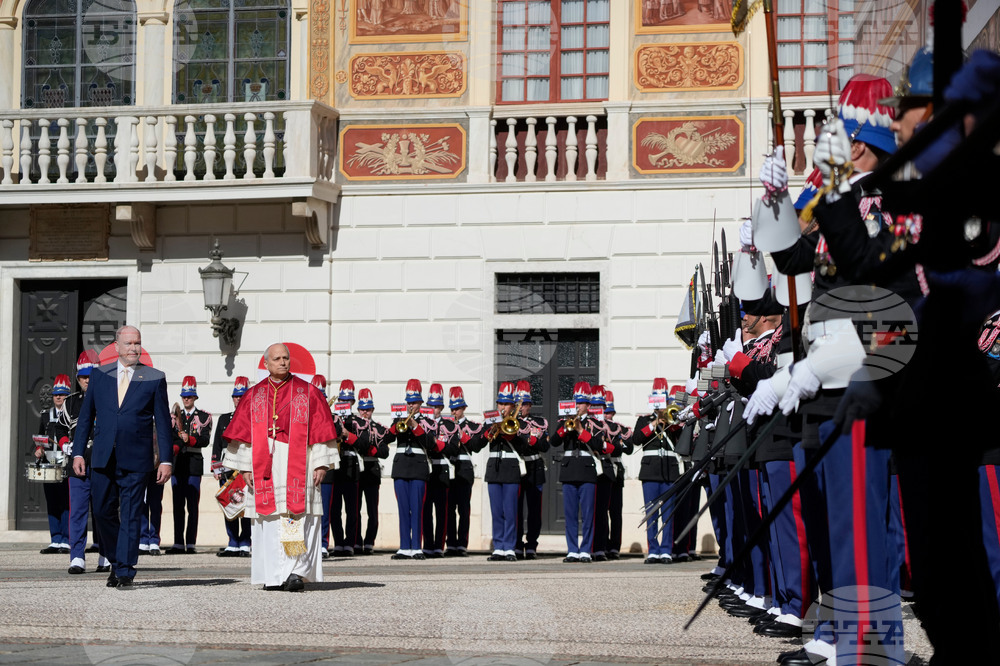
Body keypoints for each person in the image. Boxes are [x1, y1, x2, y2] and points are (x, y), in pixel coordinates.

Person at [222, 343, 340, 592]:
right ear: (266, 364)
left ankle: (294, 572)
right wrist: (245, 468)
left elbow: (320, 431)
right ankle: (274, 574)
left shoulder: (307, 392)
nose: (283, 362)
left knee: (296, 517)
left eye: (286, 358)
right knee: (270, 520)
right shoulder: (254, 394)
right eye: (277, 359)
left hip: (300, 463)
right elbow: (243, 436)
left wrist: (321, 463)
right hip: (264, 463)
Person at [71, 325, 173, 588]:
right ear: (116, 346)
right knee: (102, 511)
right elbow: (85, 418)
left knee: (130, 514)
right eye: (128, 343)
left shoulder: (154, 377)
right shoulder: (100, 375)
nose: (133, 348)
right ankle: (117, 561)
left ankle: (125, 571)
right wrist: (78, 452)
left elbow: (163, 423)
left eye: (137, 343)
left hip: (137, 459)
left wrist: (165, 459)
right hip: (103, 457)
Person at [551, 382, 611, 563]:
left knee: (588, 514)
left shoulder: (595, 423)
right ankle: (572, 549)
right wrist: (565, 427)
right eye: (576, 402)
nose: (577, 406)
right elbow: (553, 442)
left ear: (588, 405)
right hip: (569, 469)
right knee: (569, 514)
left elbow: (599, 445)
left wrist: (580, 430)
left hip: (587, 470)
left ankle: (585, 549)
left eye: (581, 403)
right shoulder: (563, 422)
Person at [66, 351, 111, 574]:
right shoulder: (70, 403)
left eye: (91, 376)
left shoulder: (110, 400)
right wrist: (65, 444)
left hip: (102, 462)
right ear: (78, 378)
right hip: (78, 464)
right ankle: (77, 556)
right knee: (77, 511)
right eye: (83, 377)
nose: (87, 380)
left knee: (103, 510)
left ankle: (105, 554)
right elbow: (59, 428)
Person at [482, 382, 534, 562]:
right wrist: (490, 429)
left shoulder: (518, 423)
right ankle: (498, 547)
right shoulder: (490, 421)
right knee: (497, 511)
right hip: (494, 469)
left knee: (510, 511)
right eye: (500, 404)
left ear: (512, 406)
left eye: (506, 404)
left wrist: (509, 433)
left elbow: (525, 447)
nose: (503, 407)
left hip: (511, 469)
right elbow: (477, 444)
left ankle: (510, 547)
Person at [166, 376, 211, 554]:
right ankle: (178, 542)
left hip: (193, 464)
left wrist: (190, 439)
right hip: (178, 464)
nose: (186, 399)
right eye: (184, 396)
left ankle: (190, 542)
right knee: (177, 505)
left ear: (195, 397)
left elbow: (205, 440)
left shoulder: (204, 416)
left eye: (189, 396)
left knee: (192, 506)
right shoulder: (173, 417)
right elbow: (169, 437)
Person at [389, 379, 433, 560]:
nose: (410, 406)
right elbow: (386, 439)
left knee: (417, 508)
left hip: (418, 468)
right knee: (403, 509)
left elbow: (430, 443)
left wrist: (415, 425)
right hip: (401, 468)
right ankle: (404, 546)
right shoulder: (399, 418)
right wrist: (397, 423)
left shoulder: (427, 421)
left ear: (420, 403)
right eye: (408, 402)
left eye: (414, 403)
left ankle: (416, 547)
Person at [211, 376, 251, 557]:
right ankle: (233, 541)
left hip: (245, 466)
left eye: (241, 396)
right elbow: (217, 445)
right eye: (235, 396)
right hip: (227, 466)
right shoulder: (224, 418)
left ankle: (246, 541)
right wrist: (215, 467)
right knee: (229, 502)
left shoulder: (253, 418)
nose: (238, 399)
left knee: (246, 504)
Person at [352, 388, 393, 555]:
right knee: (355, 509)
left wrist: (370, 450)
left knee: (372, 511)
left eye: (368, 409)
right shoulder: (353, 426)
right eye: (362, 409)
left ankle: (369, 542)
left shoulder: (378, 428)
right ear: (358, 409)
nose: (365, 412)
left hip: (372, 470)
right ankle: (356, 541)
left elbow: (385, 451)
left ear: (372, 410)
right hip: (356, 469)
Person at [36, 373, 73, 555]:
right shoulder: (45, 415)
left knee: (66, 501)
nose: (58, 397)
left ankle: (66, 540)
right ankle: (55, 539)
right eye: (56, 394)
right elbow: (41, 437)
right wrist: (39, 449)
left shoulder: (72, 414)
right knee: (52, 501)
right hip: (49, 462)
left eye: (62, 394)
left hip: (65, 462)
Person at [421, 383, 458, 558]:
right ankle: (428, 545)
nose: (433, 410)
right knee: (426, 510)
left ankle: (438, 546)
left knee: (442, 511)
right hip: (426, 469)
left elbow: (454, 448)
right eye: (431, 406)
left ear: (441, 407)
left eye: (436, 406)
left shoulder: (449, 425)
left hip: (442, 469)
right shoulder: (422, 424)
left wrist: (437, 444)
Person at [445, 386, 480, 557]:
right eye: (452, 409)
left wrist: (460, 433)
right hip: (450, 466)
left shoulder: (471, 426)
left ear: (464, 408)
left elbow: (476, 446)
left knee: (464, 509)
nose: (454, 412)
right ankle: (451, 543)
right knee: (449, 508)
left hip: (464, 468)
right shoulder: (445, 425)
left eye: (457, 409)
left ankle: (462, 544)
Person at [514, 380, 548, 560]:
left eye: (524, 404)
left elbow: (546, 446)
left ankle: (532, 544)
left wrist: (533, 440)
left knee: (534, 510)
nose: (521, 408)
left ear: (530, 405)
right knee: (516, 509)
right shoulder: (510, 422)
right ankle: (517, 544)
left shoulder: (539, 422)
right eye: (518, 404)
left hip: (534, 467)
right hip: (517, 468)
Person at [329, 379, 362, 556]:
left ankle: (350, 543)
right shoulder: (332, 418)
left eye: (348, 401)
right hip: (336, 466)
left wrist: (348, 434)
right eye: (342, 400)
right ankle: (338, 542)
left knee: (352, 509)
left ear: (353, 402)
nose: (345, 403)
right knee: (334, 509)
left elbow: (364, 443)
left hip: (351, 465)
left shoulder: (357, 421)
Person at [602, 390, 632, 560]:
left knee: (615, 511)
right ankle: (603, 544)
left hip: (616, 469)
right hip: (603, 468)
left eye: (609, 412)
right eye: (605, 412)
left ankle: (614, 546)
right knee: (601, 510)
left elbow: (629, 448)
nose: (607, 415)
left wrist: (617, 444)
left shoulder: (620, 428)